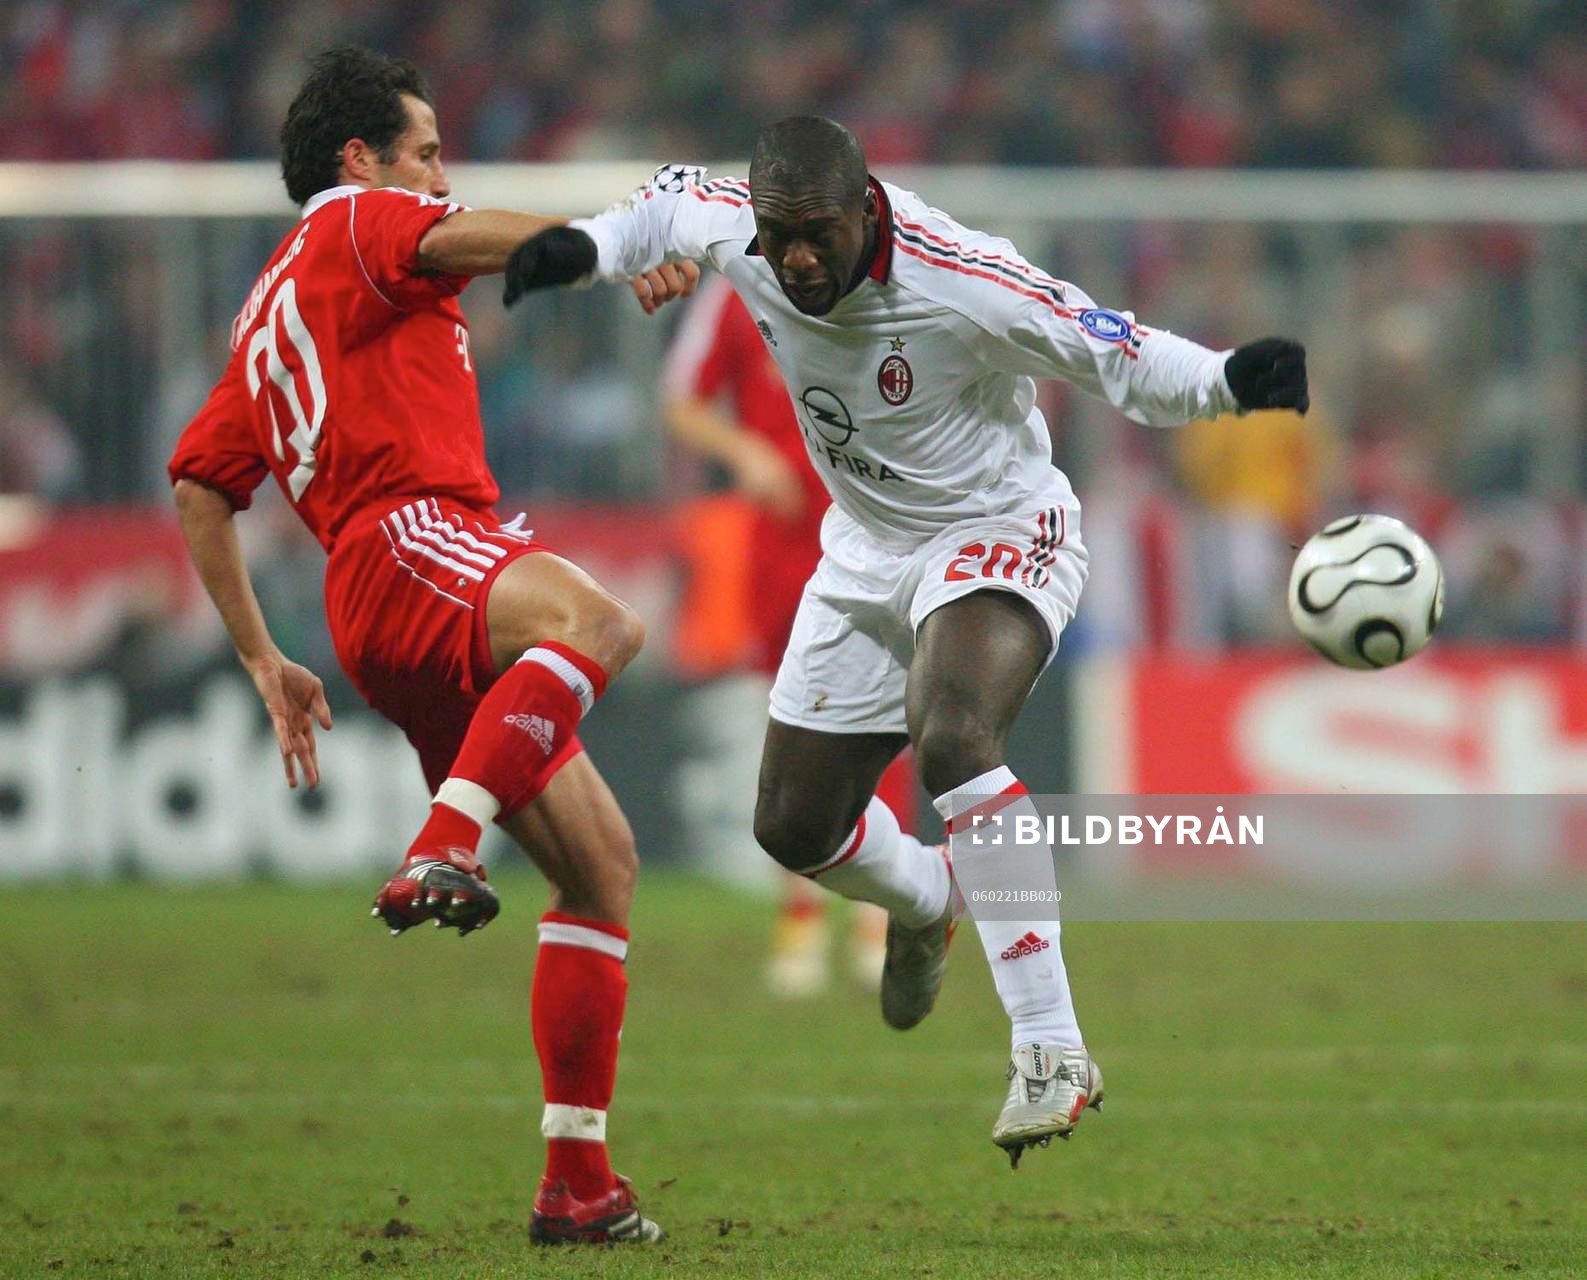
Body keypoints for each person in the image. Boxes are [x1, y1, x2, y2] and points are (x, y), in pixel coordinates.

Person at [502, 117, 1308, 1166]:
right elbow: (656, 208)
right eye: (779, 232)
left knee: (955, 738)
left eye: (817, 233)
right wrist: (586, 250)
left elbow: (1107, 344)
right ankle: (928, 898)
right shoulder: (742, 230)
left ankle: (1051, 1047)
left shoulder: (958, 279)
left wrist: (1228, 381)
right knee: (792, 826)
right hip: (864, 551)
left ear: (866, 209)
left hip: (1000, 528)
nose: (795, 257)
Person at [165, 46, 697, 1243]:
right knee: (600, 622)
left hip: (368, 607)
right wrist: (616, 246)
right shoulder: (357, 222)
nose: (440, 175)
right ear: (359, 160)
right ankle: (438, 844)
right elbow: (463, 242)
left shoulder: (267, 306)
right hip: (415, 536)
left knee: (601, 864)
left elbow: (203, 487)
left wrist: (263, 657)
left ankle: (577, 1186)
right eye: (426, 152)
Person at [662, 276, 920, 996]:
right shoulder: (733, 291)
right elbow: (679, 398)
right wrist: (746, 454)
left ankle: (876, 918)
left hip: (877, 532)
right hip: (782, 543)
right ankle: (800, 914)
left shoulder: (884, 281)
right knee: (796, 725)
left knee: (888, 719)